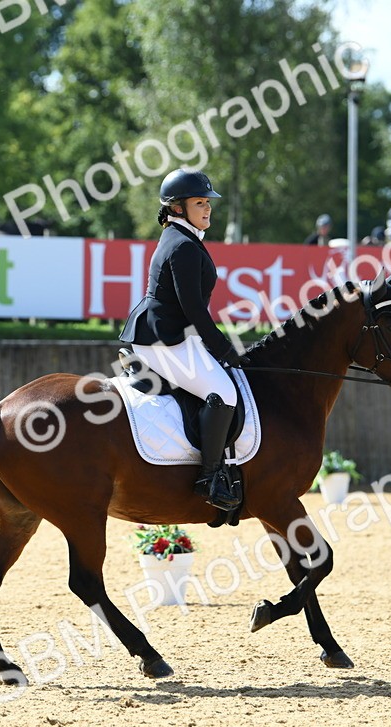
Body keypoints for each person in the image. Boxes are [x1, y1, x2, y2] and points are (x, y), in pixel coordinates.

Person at [119, 167, 242, 512]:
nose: (207, 209)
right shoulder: (183, 246)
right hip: (164, 339)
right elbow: (193, 309)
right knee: (224, 392)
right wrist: (224, 349)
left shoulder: (183, 239)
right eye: (200, 202)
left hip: (168, 334)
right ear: (177, 208)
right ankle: (210, 476)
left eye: (208, 203)